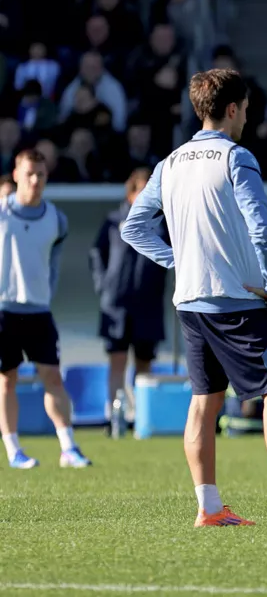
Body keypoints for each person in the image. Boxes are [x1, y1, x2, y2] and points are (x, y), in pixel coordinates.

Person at [120, 69, 267, 528]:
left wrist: (179, 261)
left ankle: (208, 509)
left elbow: (134, 227)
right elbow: (261, 226)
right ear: (232, 109)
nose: (247, 117)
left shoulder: (169, 163)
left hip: (190, 303)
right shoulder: (237, 158)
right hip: (239, 301)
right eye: (246, 109)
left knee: (203, 402)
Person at [0, 150, 90, 469]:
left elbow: (52, 264)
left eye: (41, 174)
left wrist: (46, 294)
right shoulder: (2, 211)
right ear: (15, 175)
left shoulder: (56, 219)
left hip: (38, 310)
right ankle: (13, 451)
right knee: (7, 379)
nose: (35, 180)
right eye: (29, 174)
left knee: (52, 376)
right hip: (3, 309)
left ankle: (68, 447)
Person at [91, 167, 169, 420]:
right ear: (131, 193)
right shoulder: (113, 221)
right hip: (117, 303)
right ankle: (113, 415)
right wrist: (103, 283)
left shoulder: (162, 223)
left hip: (148, 304)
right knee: (118, 358)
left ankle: (141, 415)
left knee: (144, 362)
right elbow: (96, 253)